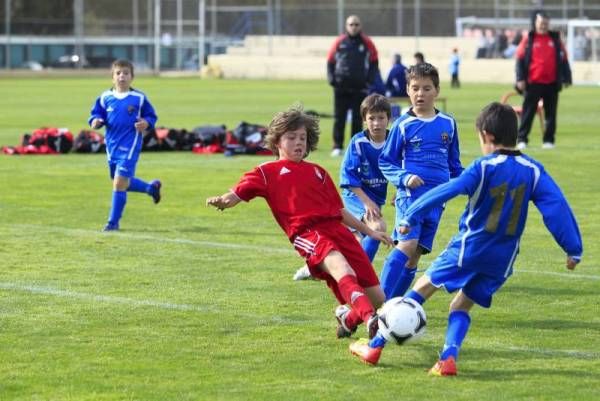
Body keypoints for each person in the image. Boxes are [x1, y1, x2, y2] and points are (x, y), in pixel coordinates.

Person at [349, 102, 583, 373]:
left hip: (468, 247)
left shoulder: (483, 167)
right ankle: (448, 358)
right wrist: (572, 248)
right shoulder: (533, 169)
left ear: (486, 136)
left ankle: (375, 346)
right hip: (503, 259)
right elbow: (556, 206)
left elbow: (446, 190)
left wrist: (410, 215)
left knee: (420, 290)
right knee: (461, 304)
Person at [206, 106, 393, 341]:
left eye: (302, 138)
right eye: (291, 137)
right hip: (308, 233)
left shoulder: (319, 172)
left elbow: (339, 211)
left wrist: (370, 232)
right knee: (341, 269)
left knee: (378, 298)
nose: (298, 143)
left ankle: (349, 318)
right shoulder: (266, 172)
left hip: (338, 231)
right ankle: (369, 320)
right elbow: (235, 195)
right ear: (277, 141)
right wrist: (222, 202)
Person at [377, 62, 463, 302]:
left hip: (438, 200)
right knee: (406, 244)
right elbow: (386, 162)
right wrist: (405, 178)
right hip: (411, 198)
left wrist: (469, 183)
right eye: (415, 88)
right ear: (407, 90)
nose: (420, 94)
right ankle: (378, 303)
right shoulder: (403, 125)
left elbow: (455, 165)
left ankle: (393, 305)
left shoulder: (449, 123)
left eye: (426, 88)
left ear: (436, 91)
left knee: (415, 255)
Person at [293, 94, 391, 281]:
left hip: (375, 199)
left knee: (353, 241)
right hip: (356, 196)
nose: (377, 123)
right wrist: (367, 202)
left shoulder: (394, 140)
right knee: (377, 227)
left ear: (388, 118)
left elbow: (400, 168)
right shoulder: (358, 142)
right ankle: (360, 276)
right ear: (364, 120)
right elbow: (349, 179)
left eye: (381, 118)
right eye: (371, 118)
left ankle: (315, 267)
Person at [88, 59, 161, 231]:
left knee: (119, 183)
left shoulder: (139, 98)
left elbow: (151, 116)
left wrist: (146, 123)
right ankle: (151, 188)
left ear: (132, 77)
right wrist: (95, 121)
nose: (122, 76)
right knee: (122, 182)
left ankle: (113, 223)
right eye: (118, 73)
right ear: (112, 77)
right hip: (111, 146)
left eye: (126, 73)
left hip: (130, 146)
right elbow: (95, 114)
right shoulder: (105, 97)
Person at [515, 10, 572, 150]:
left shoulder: (555, 39)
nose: (543, 26)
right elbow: (519, 59)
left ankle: (548, 141)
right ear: (535, 23)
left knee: (551, 114)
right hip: (533, 83)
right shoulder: (528, 39)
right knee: (528, 112)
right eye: (541, 23)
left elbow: (564, 59)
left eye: (546, 23)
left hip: (551, 83)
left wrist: (567, 77)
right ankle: (522, 139)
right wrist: (520, 78)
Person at [327, 15, 379, 157]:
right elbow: (330, 61)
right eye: (351, 24)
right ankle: (337, 146)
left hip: (359, 87)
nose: (354, 27)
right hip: (341, 86)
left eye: (356, 24)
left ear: (360, 26)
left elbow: (374, 61)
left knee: (358, 117)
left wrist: (369, 80)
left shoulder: (367, 43)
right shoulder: (339, 42)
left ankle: (354, 146)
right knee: (339, 117)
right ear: (346, 26)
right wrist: (332, 79)